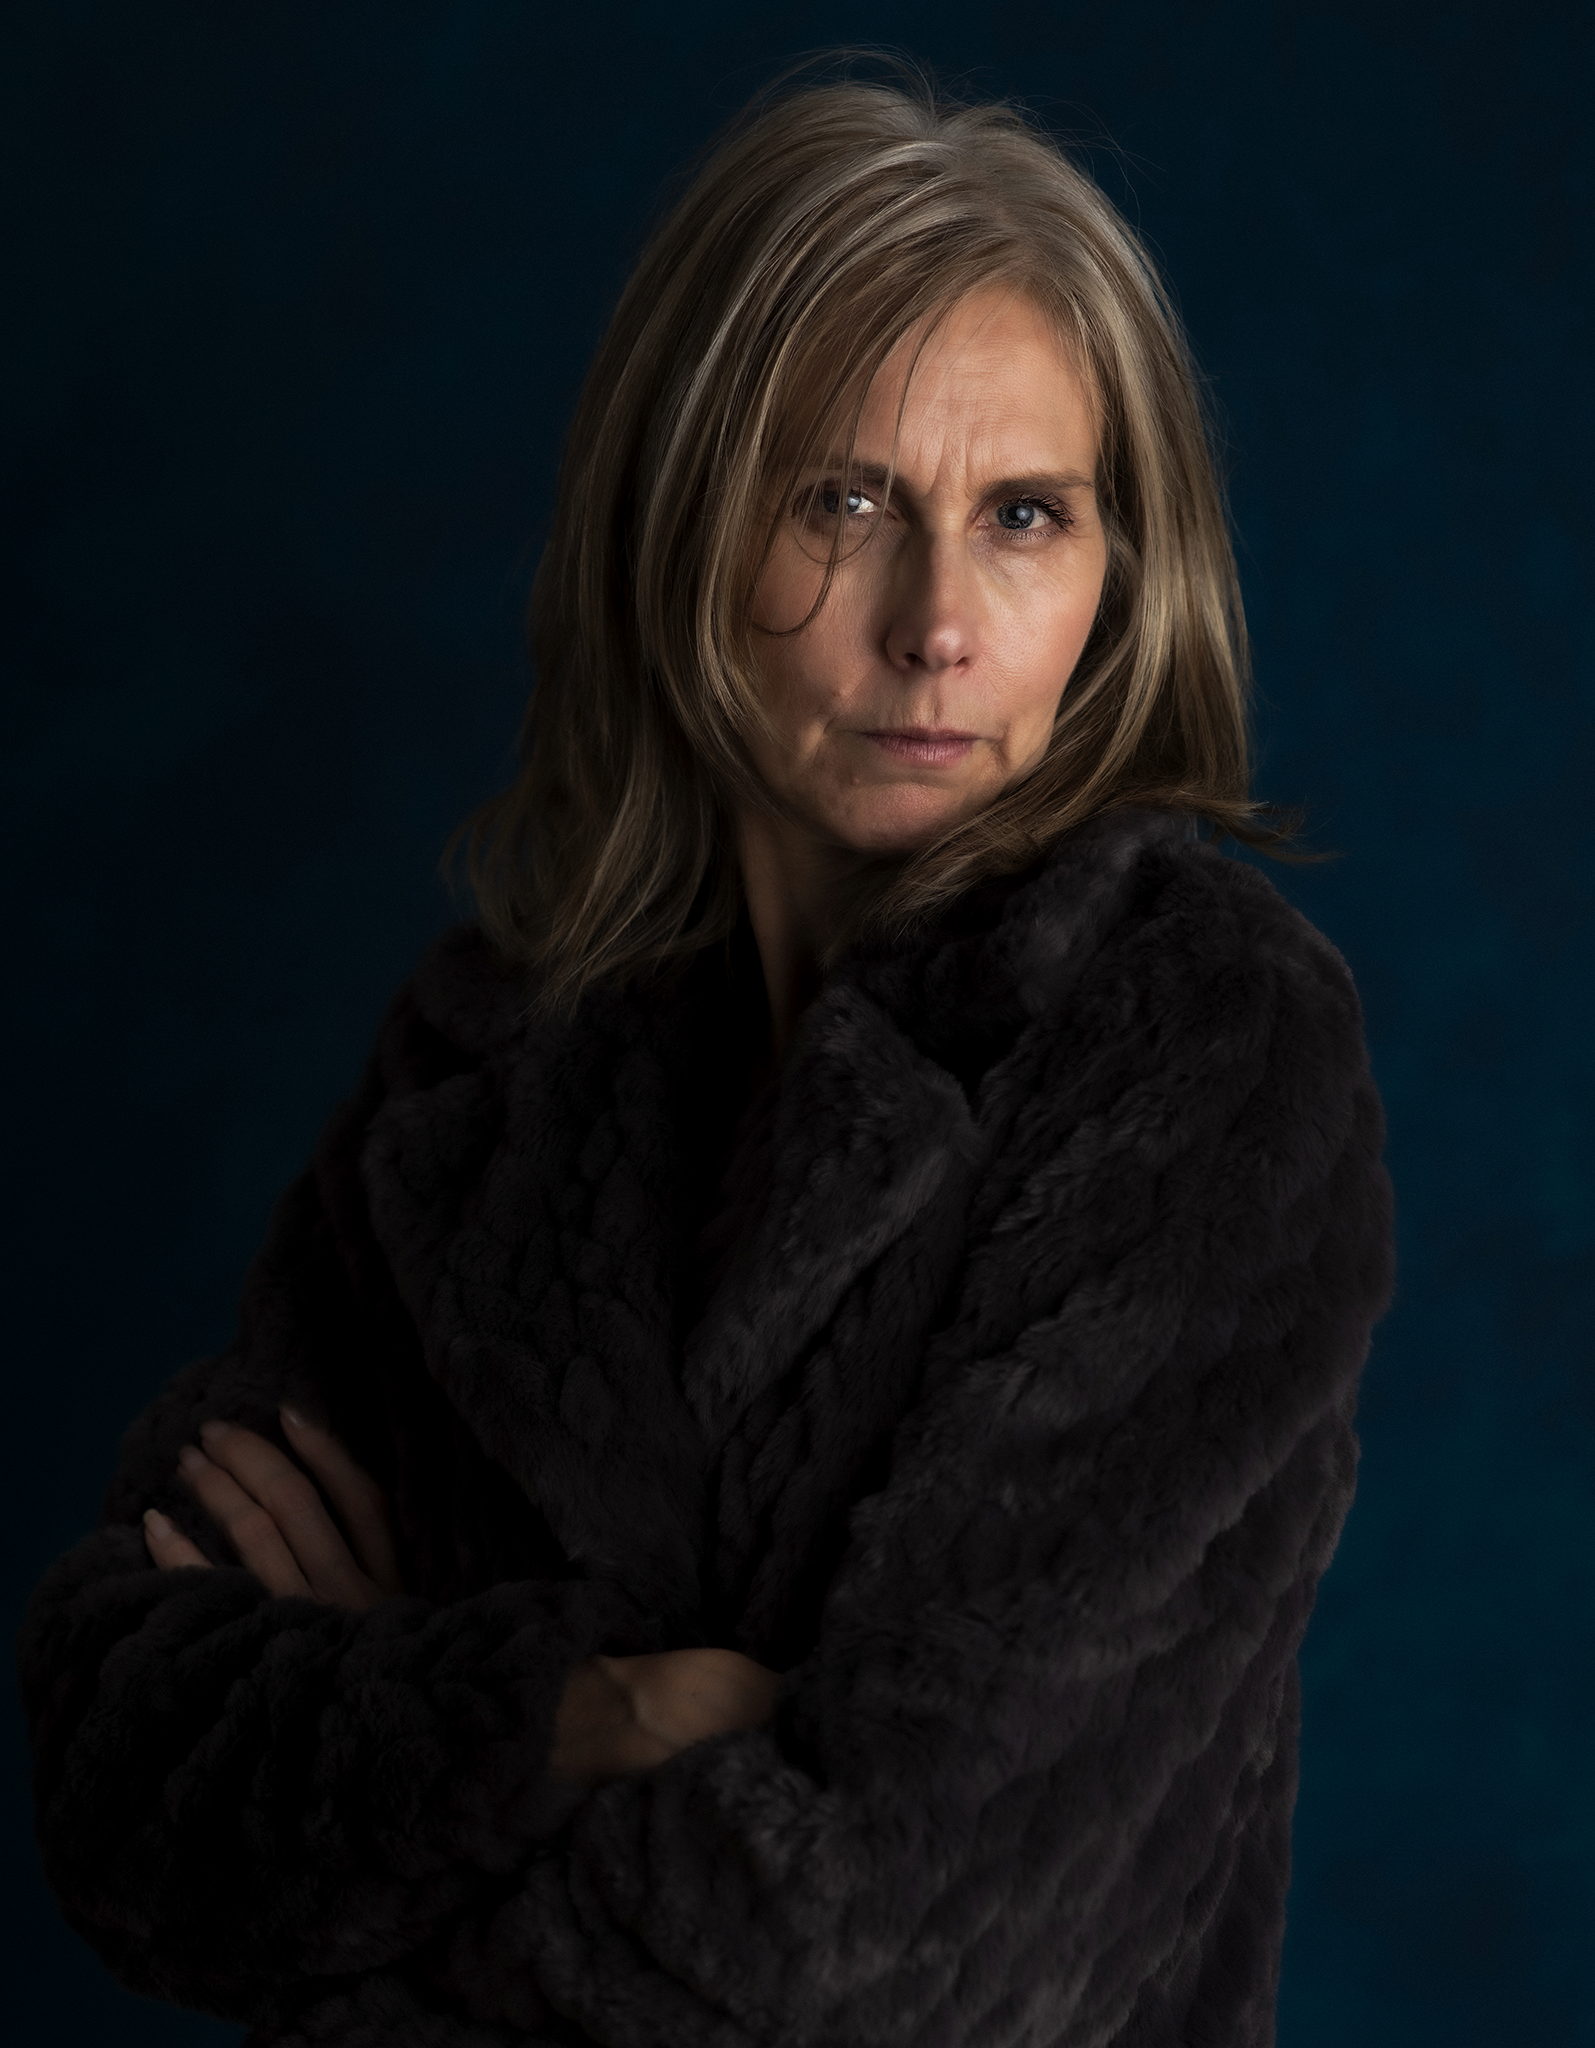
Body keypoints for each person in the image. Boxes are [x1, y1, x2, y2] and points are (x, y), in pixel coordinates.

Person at [19, 71, 1393, 2048]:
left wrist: (378, 1778)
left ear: (1116, 575)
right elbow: (121, 1781)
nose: (936, 624)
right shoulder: (491, 1050)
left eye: (1023, 516)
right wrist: (583, 1706)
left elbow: (871, 1960)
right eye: (840, 501)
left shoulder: (1187, 1049)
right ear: (679, 518)